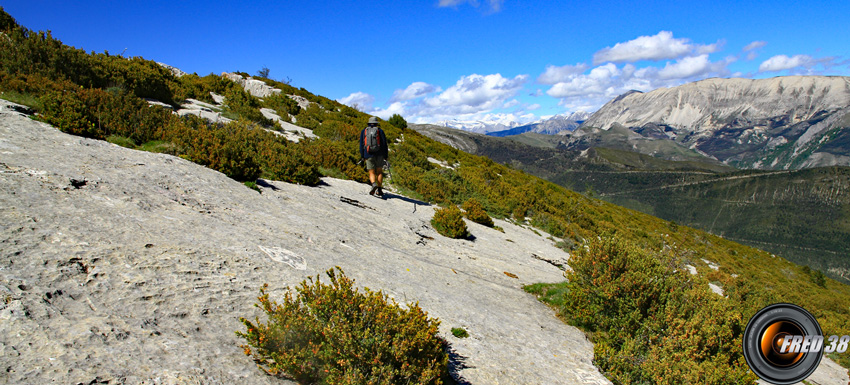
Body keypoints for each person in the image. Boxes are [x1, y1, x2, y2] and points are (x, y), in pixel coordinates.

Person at [360, 117, 389, 197]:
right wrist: (385, 156)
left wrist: (362, 155)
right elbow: (384, 144)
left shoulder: (364, 131)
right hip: (379, 154)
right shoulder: (380, 131)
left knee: (371, 172)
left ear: (368, 123)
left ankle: (373, 184)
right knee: (379, 172)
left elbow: (361, 144)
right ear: (376, 123)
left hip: (368, 153)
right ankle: (379, 190)